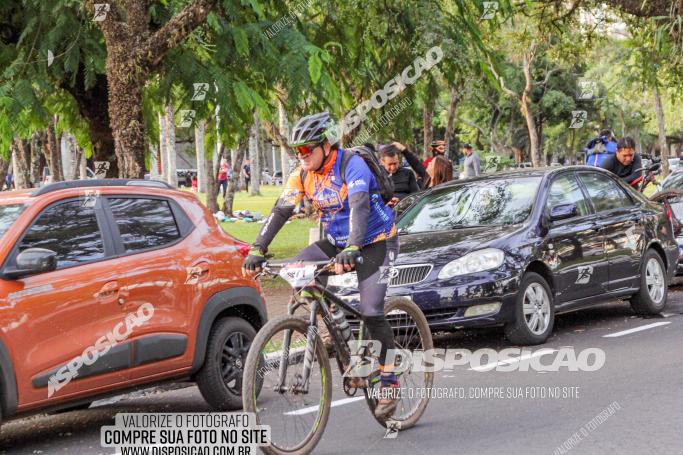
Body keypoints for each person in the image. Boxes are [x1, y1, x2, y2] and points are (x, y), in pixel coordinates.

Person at [241, 111, 401, 419]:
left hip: (377, 240)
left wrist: (354, 247)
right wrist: (258, 249)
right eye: (296, 151)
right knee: (301, 276)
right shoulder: (301, 174)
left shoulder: (350, 164)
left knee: (371, 311)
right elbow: (281, 210)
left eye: (306, 149)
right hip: (339, 242)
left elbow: (359, 205)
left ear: (326, 146)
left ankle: (389, 380)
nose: (301, 156)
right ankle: (344, 337)